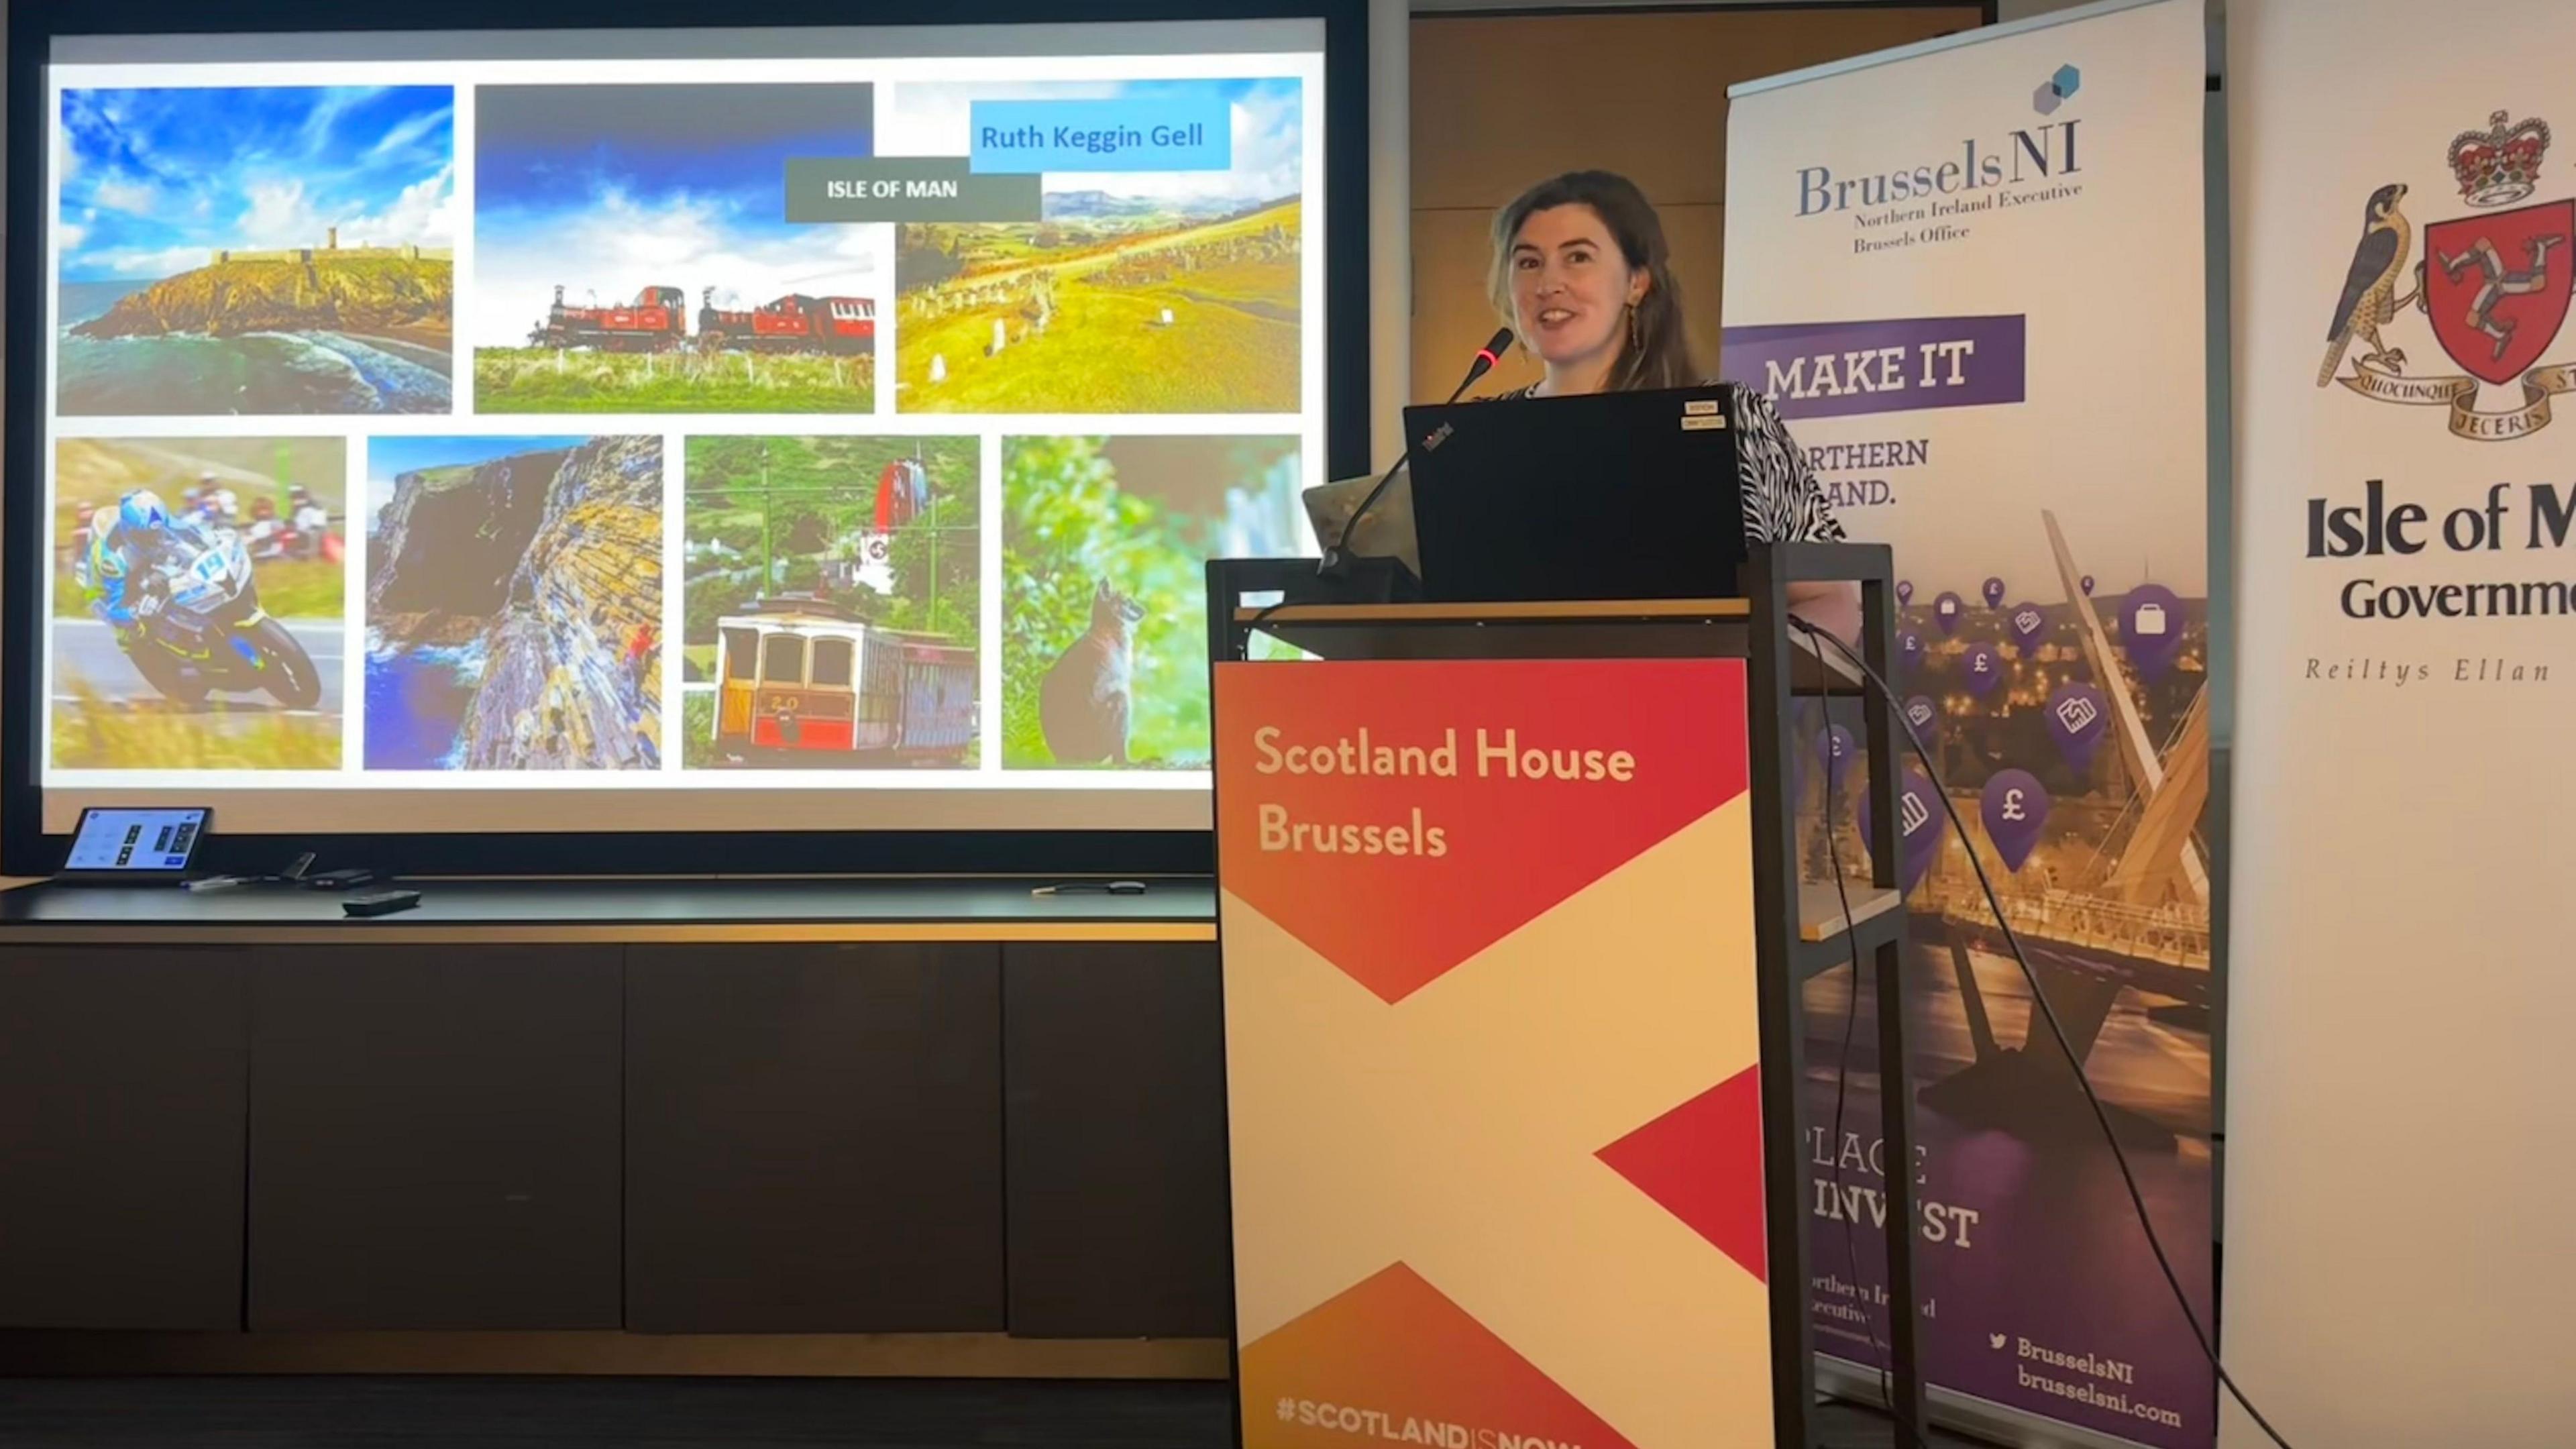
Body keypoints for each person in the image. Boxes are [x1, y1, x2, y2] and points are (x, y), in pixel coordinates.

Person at [1487, 170, 1860, 643]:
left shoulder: (1731, 419)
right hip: (1513, 710)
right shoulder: (1482, 434)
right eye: (1528, 263)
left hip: (1698, 706)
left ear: (1637, 283)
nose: (1548, 284)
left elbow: (1830, 601)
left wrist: (1744, 676)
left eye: (1577, 257)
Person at [78, 489, 211, 645]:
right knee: (134, 637)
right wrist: (135, 611)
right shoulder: (114, 559)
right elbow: (115, 610)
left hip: (145, 566)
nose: (155, 538)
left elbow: (190, 533)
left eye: (157, 532)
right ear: (131, 532)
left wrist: (210, 541)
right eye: (148, 535)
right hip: (107, 592)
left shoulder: (157, 520)